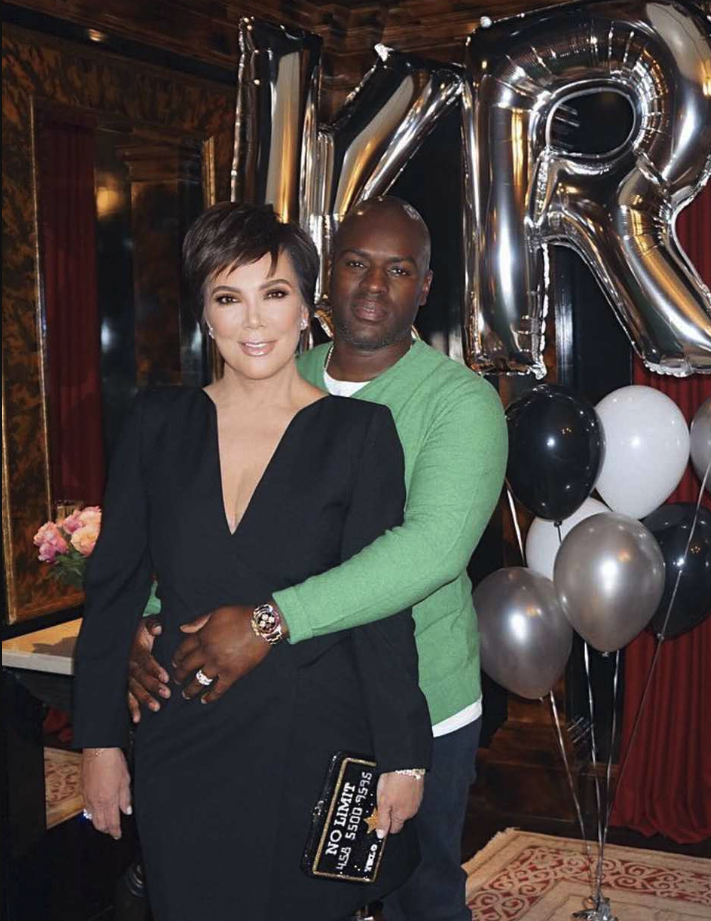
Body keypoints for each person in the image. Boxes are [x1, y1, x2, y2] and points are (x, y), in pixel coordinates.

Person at [128, 196, 509, 921]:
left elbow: (427, 550)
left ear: (424, 288)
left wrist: (271, 620)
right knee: (290, 886)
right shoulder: (273, 369)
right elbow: (200, 512)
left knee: (413, 890)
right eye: (357, 263)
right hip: (285, 699)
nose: (373, 285)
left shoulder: (460, 402)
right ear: (325, 279)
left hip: (415, 696)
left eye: (399, 270)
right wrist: (148, 619)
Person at [74, 203, 432, 921]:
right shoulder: (157, 424)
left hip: (315, 736)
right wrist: (100, 742)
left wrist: (404, 754)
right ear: (205, 316)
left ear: (307, 308)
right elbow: (112, 591)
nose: (254, 321)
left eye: (275, 293)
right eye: (228, 298)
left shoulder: (360, 433)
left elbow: (380, 610)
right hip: (185, 738)